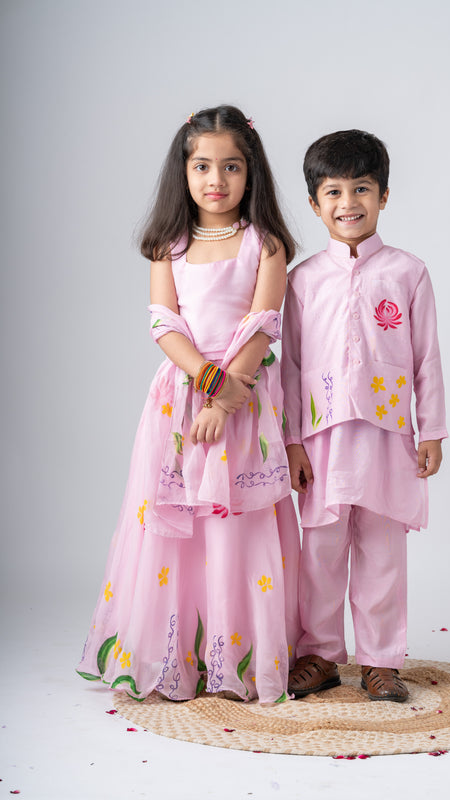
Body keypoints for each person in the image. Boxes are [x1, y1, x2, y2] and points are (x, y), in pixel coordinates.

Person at [77, 105, 301, 704]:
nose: (215, 180)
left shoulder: (266, 243)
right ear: (183, 171)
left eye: (231, 167)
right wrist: (207, 381)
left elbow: (263, 325)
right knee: (181, 528)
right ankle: (180, 655)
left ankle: (236, 657)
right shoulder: (168, 245)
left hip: (243, 401)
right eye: (202, 166)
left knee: (234, 528)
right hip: (181, 399)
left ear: (251, 172)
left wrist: (225, 401)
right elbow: (164, 323)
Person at [281, 129, 447, 702]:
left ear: (383, 196)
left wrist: (432, 430)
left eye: (361, 189)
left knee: (382, 551)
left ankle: (380, 661)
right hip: (321, 438)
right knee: (319, 553)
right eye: (333, 191)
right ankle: (319, 655)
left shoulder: (407, 272)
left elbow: (426, 357)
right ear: (314, 203)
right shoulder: (302, 280)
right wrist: (292, 441)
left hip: (387, 436)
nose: (348, 202)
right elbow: (290, 366)